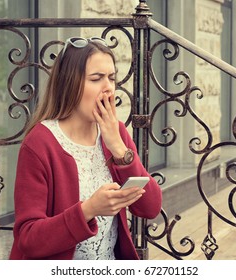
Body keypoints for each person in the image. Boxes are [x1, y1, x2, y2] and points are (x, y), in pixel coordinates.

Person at [9, 37, 162, 260]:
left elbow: (150, 208)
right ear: (69, 83)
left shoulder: (115, 133)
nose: (108, 87)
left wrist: (119, 149)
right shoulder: (40, 143)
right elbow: (28, 239)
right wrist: (88, 209)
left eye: (111, 78)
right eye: (96, 78)